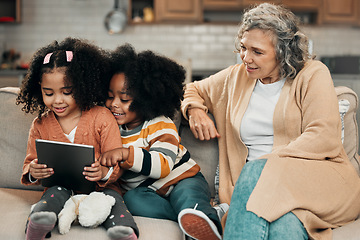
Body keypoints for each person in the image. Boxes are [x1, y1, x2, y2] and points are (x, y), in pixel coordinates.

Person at [181, 3, 360, 240]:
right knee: (284, 225)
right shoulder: (236, 77)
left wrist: (267, 165)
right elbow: (191, 89)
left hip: (315, 181)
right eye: (243, 48)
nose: (246, 58)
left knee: (256, 171)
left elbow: (323, 136)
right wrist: (195, 110)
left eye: (257, 51)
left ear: (283, 52)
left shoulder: (313, 74)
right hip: (261, 193)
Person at [99, 44, 228, 240]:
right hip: (147, 192)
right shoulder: (111, 128)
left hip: (183, 179)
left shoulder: (160, 124)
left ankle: (205, 216)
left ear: (146, 99)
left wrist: (125, 154)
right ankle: (193, 220)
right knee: (132, 200)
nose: (114, 104)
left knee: (187, 198)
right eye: (110, 97)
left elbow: (162, 166)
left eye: (124, 99)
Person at [16, 37, 139, 240]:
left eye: (67, 92)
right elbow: (30, 163)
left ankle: (124, 231)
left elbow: (116, 161)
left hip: (101, 188)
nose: (57, 100)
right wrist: (33, 171)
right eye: (49, 93)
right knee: (52, 195)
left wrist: (104, 171)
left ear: (82, 86)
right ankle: (38, 223)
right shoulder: (40, 125)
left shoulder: (101, 117)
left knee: (113, 200)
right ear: (39, 89)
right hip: (60, 187)